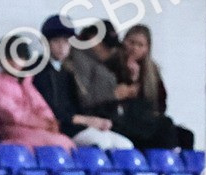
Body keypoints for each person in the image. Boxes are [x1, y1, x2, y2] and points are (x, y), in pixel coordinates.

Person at [32, 15, 134, 151]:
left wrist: (95, 121)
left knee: (125, 145)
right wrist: (88, 121)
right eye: (56, 41)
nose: (62, 47)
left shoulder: (66, 71)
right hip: (62, 127)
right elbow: (54, 111)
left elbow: (76, 104)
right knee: (102, 143)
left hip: (78, 124)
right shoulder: (41, 71)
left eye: (66, 42)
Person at [107, 24, 194, 150]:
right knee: (164, 129)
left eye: (140, 45)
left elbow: (160, 101)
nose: (134, 48)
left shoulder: (152, 71)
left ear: (147, 48)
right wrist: (132, 79)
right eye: (131, 42)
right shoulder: (113, 64)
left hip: (146, 118)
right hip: (124, 119)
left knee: (186, 135)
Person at [0, 38, 78, 151]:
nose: (15, 62)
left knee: (67, 143)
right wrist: (40, 123)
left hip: (34, 130)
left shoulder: (26, 83)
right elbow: (11, 114)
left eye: (20, 58)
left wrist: (50, 122)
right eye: (10, 58)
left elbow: (41, 106)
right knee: (59, 145)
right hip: (12, 131)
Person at [69, 21, 134, 119]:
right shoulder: (79, 59)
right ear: (92, 38)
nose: (111, 51)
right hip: (93, 118)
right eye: (107, 46)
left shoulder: (99, 60)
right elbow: (82, 98)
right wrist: (113, 94)